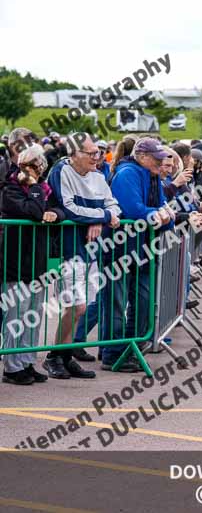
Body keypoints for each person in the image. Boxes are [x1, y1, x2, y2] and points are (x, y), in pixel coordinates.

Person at [48, 132, 122, 378]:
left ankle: (65, 356)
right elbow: (68, 208)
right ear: (73, 154)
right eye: (90, 153)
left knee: (82, 305)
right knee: (75, 306)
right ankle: (53, 356)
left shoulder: (99, 176)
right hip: (67, 249)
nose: (96, 157)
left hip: (91, 250)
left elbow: (114, 207)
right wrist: (100, 217)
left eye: (97, 152)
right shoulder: (61, 172)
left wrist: (100, 218)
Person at [102, 137, 174, 372]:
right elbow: (132, 210)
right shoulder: (127, 174)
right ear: (142, 156)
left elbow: (165, 210)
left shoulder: (152, 177)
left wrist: (164, 217)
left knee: (143, 301)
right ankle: (113, 353)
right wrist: (160, 215)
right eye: (156, 158)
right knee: (116, 303)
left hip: (143, 250)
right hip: (120, 249)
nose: (161, 163)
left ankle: (129, 349)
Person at [1, 145, 65, 385]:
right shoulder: (10, 188)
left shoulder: (44, 188)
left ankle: (27, 361)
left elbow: (60, 208)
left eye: (37, 166)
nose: (35, 170)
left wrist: (56, 215)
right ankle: (12, 366)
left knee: (33, 315)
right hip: (15, 261)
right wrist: (36, 187)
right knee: (16, 315)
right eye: (30, 166)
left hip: (37, 261)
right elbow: (35, 211)